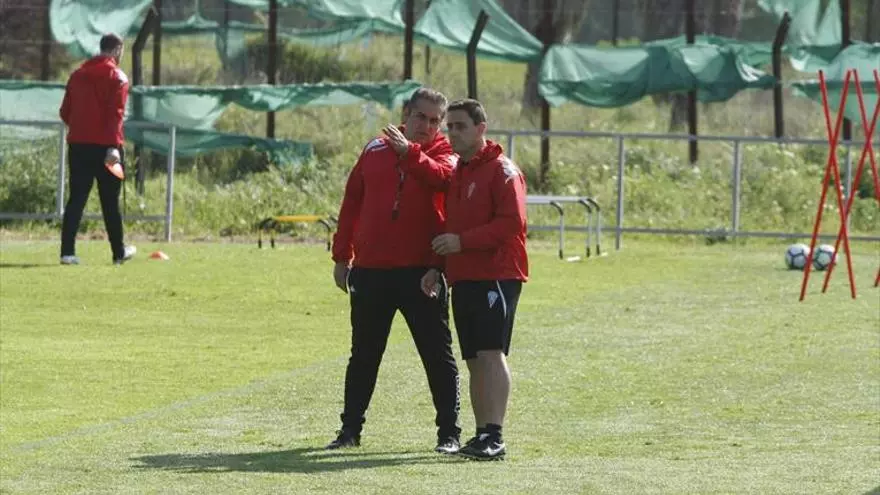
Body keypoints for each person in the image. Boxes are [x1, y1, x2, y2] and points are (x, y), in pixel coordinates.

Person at [327, 88, 462, 454]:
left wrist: (409, 153)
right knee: (363, 355)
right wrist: (342, 256)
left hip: (422, 272)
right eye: (421, 117)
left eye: (435, 121)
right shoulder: (374, 149)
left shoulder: (447, 153)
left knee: (437, 355)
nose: (427, 126)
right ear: (406, 115)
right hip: (371, 270)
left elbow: (443, 179)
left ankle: (449, 433)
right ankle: (349, 431)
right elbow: (352, 201)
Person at [417, 99, 528, 461]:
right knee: (474, 359)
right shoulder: (459, 173)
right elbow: (450, 226)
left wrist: (462, 243)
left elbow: (512, 224)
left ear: (481, 129)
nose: (452, 133)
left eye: (460, 126)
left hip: (496, 274)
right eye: (449, 126)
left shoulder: (503, 170)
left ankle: (495, 436)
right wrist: (437, 265)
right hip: (463, 276)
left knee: (491, 353)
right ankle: (482, 434)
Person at [59, 33, 136, 265]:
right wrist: (113, 146)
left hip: (78, 146)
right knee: (110, 202)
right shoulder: (118, 77)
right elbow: (116, 115)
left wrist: (81, 129)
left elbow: (65, 112)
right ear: (117, 50)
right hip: (107, 148)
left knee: (76, 199)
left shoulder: (77, 75)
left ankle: (67, 253)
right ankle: (118, 252)